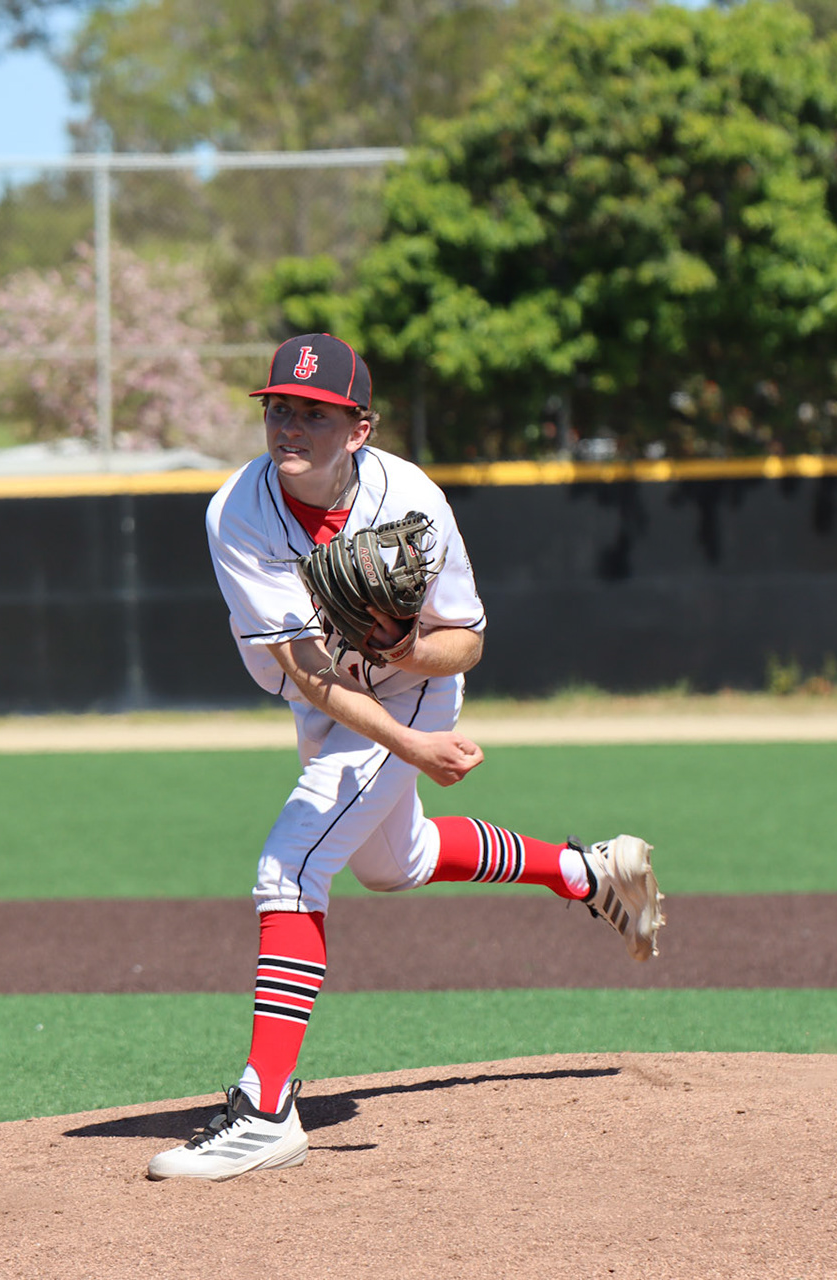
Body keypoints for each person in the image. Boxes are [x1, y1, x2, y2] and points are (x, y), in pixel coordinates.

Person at [145, 333, 664, 1183]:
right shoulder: (238, 511)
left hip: (411, 693)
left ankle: (265, 1111)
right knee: (398, 862)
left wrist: (404, 657)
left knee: (291, 867)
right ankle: (587, 871)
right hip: (331, 699)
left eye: (315, 414)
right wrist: (409, 749)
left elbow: (468, 641)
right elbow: (307, 670)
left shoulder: (412, 499)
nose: (290, 427)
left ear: (360, 429)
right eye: (279, 409)